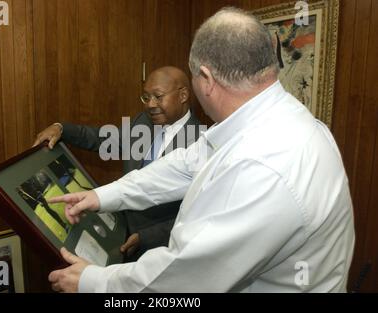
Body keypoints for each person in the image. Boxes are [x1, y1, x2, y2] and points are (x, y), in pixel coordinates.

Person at [47, 7, 355, 292]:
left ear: (204, 79)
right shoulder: (271, 121)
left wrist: (92, 282)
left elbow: (183, 279)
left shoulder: (263, 165)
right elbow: (184, 165)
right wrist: (101, 197)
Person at [34, 66, 203, 260]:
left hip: (162, 249)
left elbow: (198, 212)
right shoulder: (144, 122)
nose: (150, 105)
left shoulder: (202, 142)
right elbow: (104, 140)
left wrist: (147, 237)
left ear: (183, 95)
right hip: (119, 231)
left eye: (158, 96)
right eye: (146, 98)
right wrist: (61, 129)